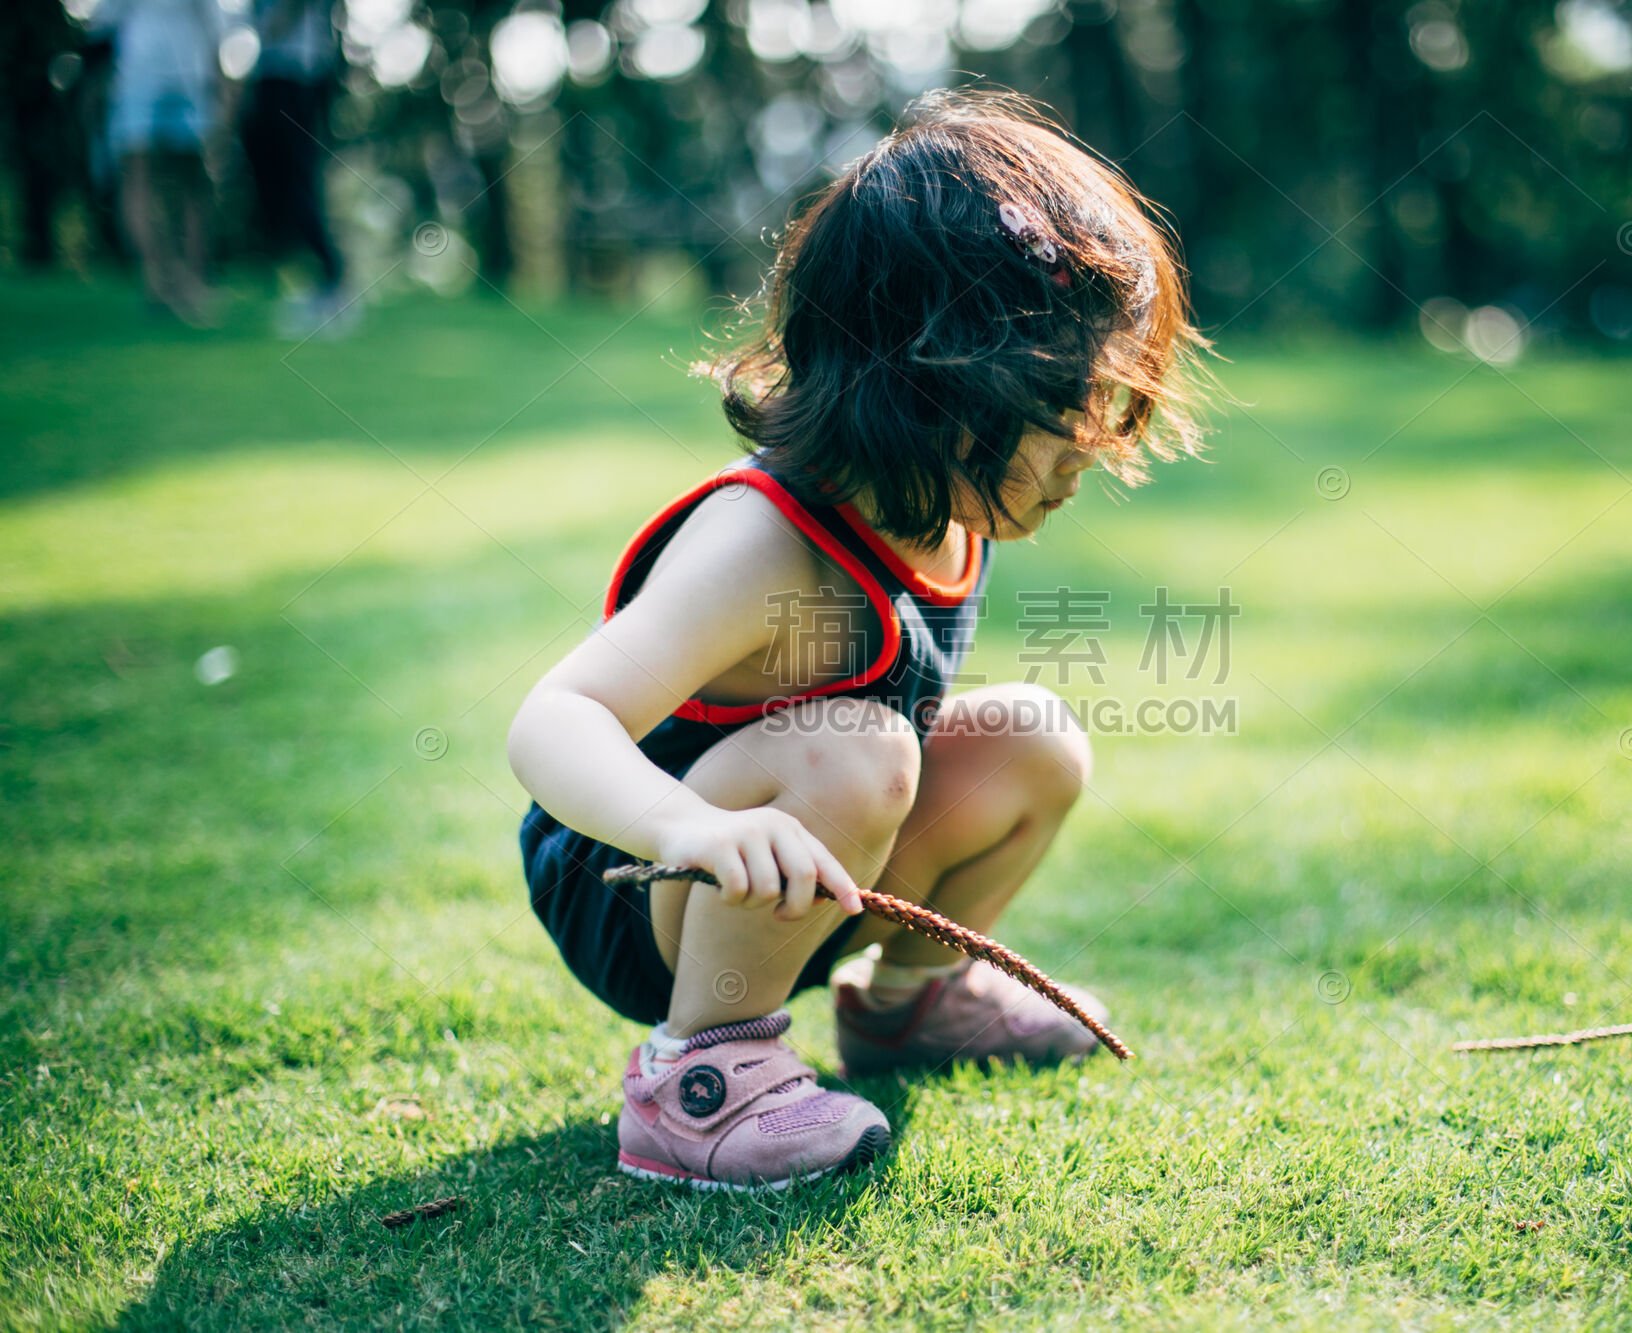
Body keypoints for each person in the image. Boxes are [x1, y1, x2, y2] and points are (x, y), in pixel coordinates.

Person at [508, 91, 1208, 1192]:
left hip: (808, 872)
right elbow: (555, 720)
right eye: (1064, 407)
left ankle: (907, 1005)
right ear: (935, 391)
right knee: (856, 746)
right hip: (641, 886)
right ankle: (699, 1079)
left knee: (1031, 736)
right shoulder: (763, 548)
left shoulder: (947, 509)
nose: (1091, 446)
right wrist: (684, 824)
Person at [91, 0, 224, 324]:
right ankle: (173, 280)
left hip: (155, 70)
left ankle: (169, 280)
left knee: (158, 178)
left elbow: (102, 23)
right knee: (173, 179)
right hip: (167, 70)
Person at [239, 0, 352, 337]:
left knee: (299, 183)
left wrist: (255, 40)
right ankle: (315, 279)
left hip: (295, 77)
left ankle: (333, 284)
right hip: (277, 76)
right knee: (279, 185)